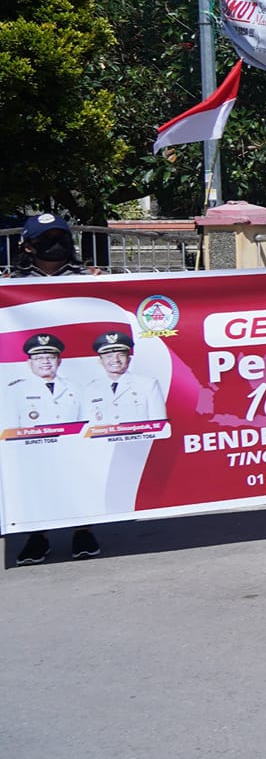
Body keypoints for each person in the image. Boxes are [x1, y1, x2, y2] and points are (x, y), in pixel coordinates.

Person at [6, 223, 98, 564]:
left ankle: (84, 529)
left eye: (61, 237)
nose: (56, 244)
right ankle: (37, 534)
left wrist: (99, 282)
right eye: (46, 240)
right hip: (31, 384)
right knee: (34, 459)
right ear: (28, 246)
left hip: (81, 381)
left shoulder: (91, 279)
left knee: (83, 455)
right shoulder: (13, 285)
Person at [4, 332, 93, 564]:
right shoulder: (15, 390)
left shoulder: (76, 388)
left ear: (59, 361)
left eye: (50, 356)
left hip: (71, 453)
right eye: (39, 357)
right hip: (34, 454)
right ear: (29, 362)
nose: (45, 361)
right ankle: (37, 539)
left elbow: (87, 421)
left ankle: (82, 535)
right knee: (36, 496)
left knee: (78, 492)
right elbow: (11, 426)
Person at [81, 330, 166, 425]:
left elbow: (160, 425)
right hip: (101, 439)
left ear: (129, 359)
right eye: (109, 356)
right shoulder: (91, 389)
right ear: (100, 361)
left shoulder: (148, 385)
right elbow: (87, 427)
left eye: (121, 355)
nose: (115, 360)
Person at [10, 213, 91, 277]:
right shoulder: (12, 282)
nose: (56, 241)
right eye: (46, 237)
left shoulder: (89, 277)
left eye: (62, 236)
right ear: (28, 247)